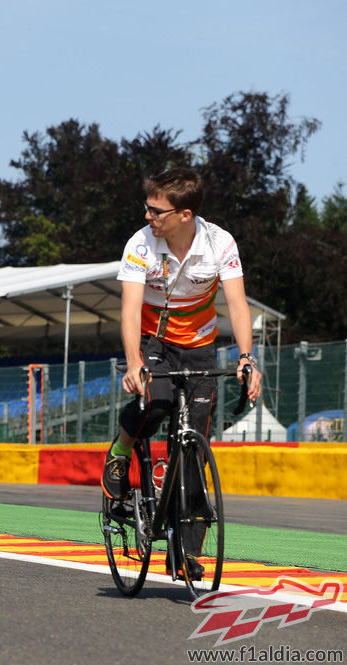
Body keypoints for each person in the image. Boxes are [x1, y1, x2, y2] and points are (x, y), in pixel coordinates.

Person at [101, 167, 262, 576]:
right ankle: (121, 450)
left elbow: (239, 306)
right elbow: (129, 308)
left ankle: (186, 554)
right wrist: (135, 361)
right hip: (155, 343)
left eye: (156, 211)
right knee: (155, 404)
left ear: (184, 214)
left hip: (200, 348)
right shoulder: (140, 244)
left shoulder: (220, 243)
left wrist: (247, 357)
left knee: (193, 453)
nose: (148, 217)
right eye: (148, 208)